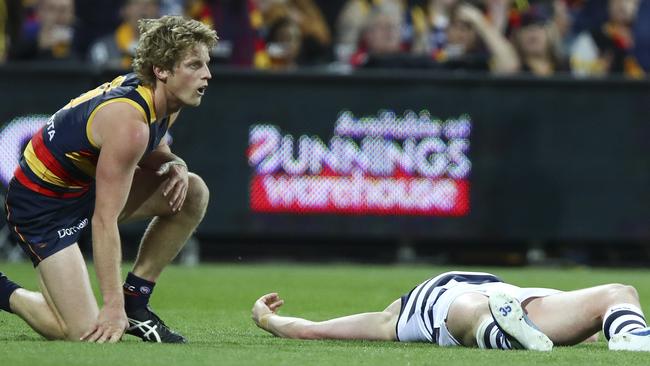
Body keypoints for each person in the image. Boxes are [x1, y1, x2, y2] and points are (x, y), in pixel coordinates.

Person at [1, 15, 217, 343]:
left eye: (207, 64)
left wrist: (175, 162)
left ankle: (137, 301)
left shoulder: (166, 99)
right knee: (84, 332)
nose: (207, 74)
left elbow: (153, 147)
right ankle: (5, 291)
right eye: (194, 65)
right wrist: (111, 307)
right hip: (42, 206)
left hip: (81, 190)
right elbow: (105, 220)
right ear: (162, 69)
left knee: (193, 191)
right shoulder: (128, 123)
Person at [252, 271, 650, 352]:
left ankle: (631, 338)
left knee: (620, 290)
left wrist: (267, 319)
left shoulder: (401, 310)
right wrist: (269, 320)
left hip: (515, 299)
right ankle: (629, 332)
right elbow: (312, 330)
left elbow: (312, 329)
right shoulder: (401, 313)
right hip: (508, 301)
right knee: (618, 292)